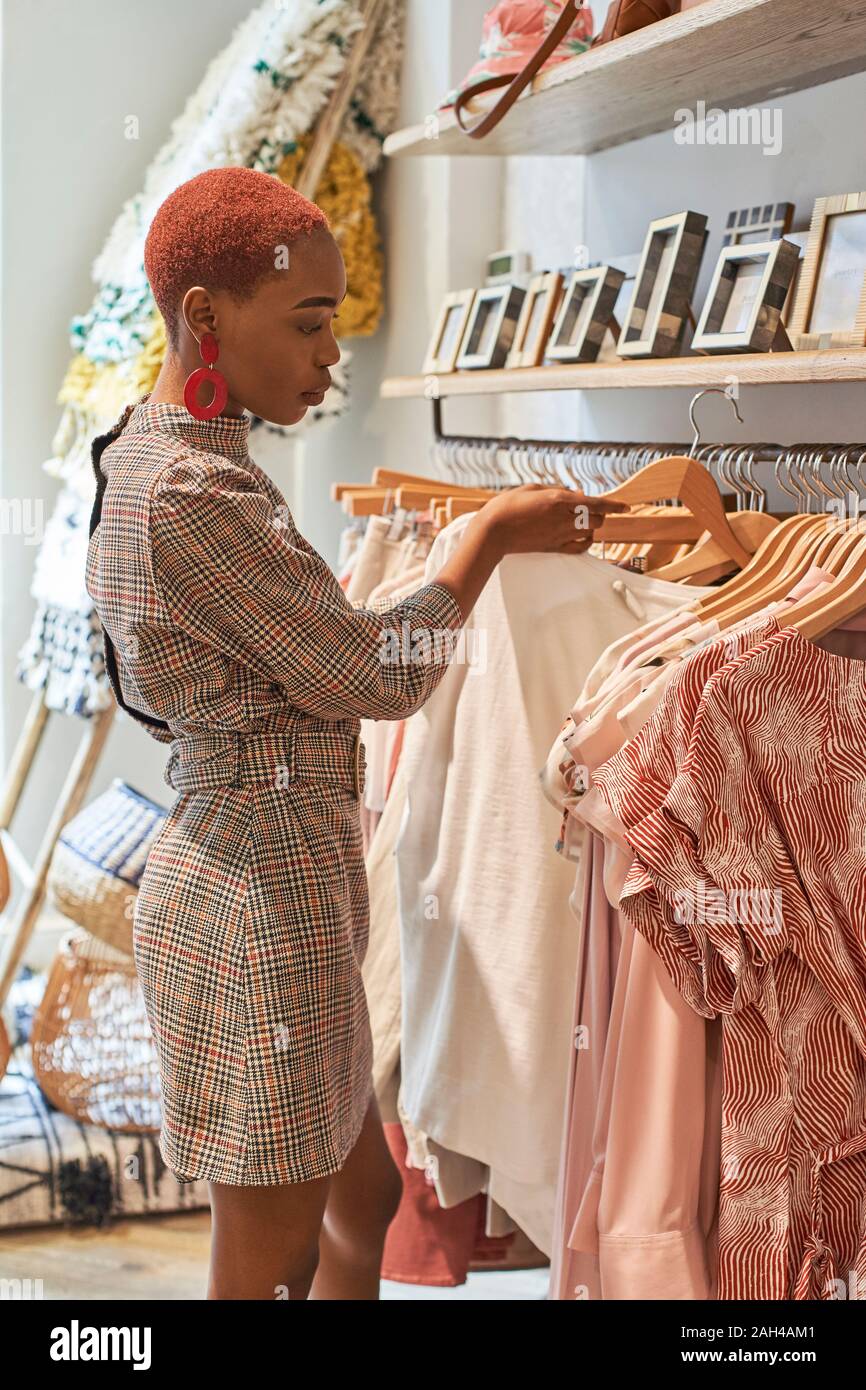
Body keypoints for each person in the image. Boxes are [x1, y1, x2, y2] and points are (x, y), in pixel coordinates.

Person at [85, 165, 625, 1300]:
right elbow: (369, 674)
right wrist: (482, 543)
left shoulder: (159, 459)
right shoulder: (194, 493)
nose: (333, 354)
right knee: (267, 1242)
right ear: (205, 316)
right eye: (310, 321)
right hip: (256, 894)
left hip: (271, 867)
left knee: (359, 1197)